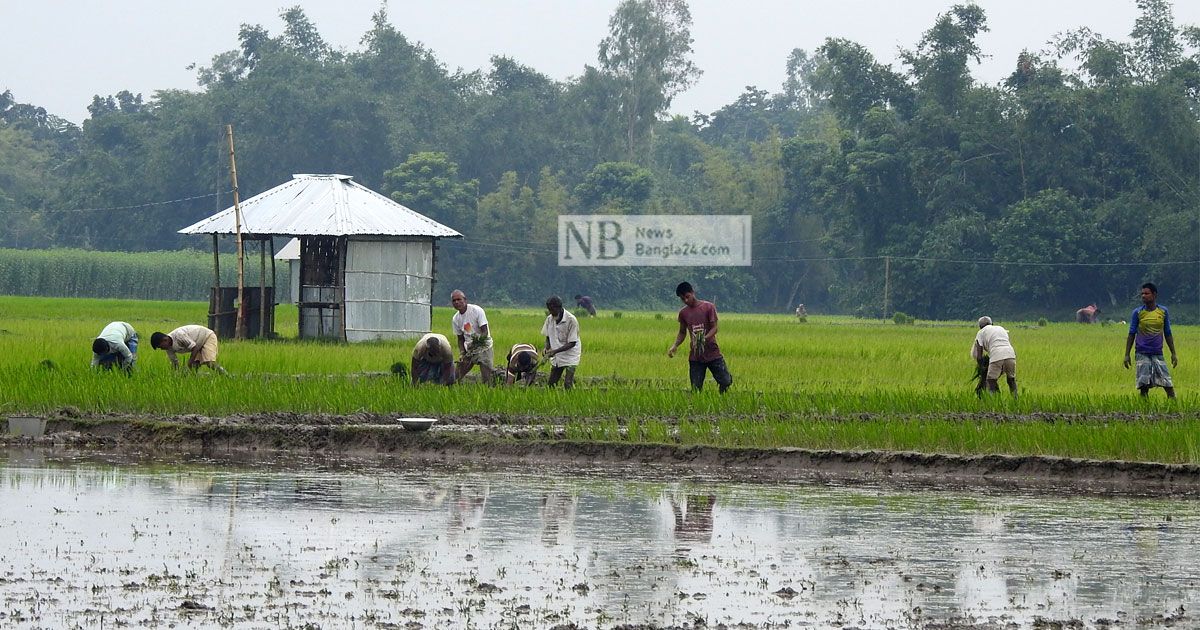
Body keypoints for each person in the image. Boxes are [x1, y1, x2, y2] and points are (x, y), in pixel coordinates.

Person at [668, 281, 732, 393]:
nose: (686, 300)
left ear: (693, 292)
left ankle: (722, 399)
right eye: (683, 299)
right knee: (696, 389)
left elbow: (714, 328)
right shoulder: (683, 313)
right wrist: (675, 345)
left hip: (712, 352)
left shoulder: (708, 307)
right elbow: (682, 332)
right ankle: (698, 406)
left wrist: (704, 338)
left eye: (687, 297)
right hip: (695, 356)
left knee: (726, 381)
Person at [1124, 282, 1177, 398]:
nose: (1143, 296)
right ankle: (1145, 411)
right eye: (1142, 294)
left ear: (1154, 295)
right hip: (1142, 352)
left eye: (1146, 293)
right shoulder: (1137, 313)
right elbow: (1131, 333)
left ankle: (1174, 409)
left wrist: (1173, 353)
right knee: (1143, 385)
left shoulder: (1163, 312)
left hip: (1157, 352)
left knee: (1167, 383)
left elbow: (1168, 333)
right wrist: (1127, 355)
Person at [450, 289, 494, 385]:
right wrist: (462, 353)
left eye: (459, 299)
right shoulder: (456, 319)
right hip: (469, 349)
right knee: (455, 376)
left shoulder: (477, 311)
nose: (457, 302)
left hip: (484, 347)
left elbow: (484, 331)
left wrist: (477, 344)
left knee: (487, 379)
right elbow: (460, 339)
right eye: (454, 301)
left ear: (465, 300)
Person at [971, 316, 1017, 396]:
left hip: (996, 354)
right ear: (992, 323)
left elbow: (979, 356)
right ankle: (1016, 400)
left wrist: (982, 368)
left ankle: (994, 401)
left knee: (991, 380)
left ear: (980, 327)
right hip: (1011, 354)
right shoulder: (1001, 329)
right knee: (1011, 380)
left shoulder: (981, 332)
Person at [151, 325, 226, 373]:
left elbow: (194, 347)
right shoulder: (168, 348)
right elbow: (175, 363)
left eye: (160, 346)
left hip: (207, 336)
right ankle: (204, 377)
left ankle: (227, 376)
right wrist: (175, 375)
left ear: (165, 340)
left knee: (209, 363)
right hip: (197, 343)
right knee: (193, 368)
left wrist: (189, 362)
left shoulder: (179, 335)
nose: (161, 349)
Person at [542, 296, 581, 389]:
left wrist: (554, 351)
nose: (550, 312)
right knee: (551, 384)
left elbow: (572, 343)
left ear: (559, 308)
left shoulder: (571, 320)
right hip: (557, 355)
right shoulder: (549, 319)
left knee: (568, 383)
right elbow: (548, 336)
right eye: (549, 310)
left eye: (552, 310)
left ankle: (571, 401)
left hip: (571, 355)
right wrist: (546, 348)